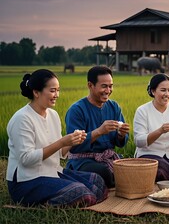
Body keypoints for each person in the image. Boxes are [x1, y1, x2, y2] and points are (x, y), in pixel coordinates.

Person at [6, 69, 107, 206]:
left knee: (97, 182)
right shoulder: (22, 119)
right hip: (26, 181)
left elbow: (61, 153)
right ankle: (42, 203)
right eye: (53, 90)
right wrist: (61, 142)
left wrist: (73, 140)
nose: (57, 95)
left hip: (52, 172)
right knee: (83, 193)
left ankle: (60, 194)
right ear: (36, 92)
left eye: (58, 90)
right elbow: (26, 159)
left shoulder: (53, 115)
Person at [65, 65, 130, 188]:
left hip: (107, 157)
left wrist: (121, 135)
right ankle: (116, 186)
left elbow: (120, 143)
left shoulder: (114, 107)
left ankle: (117, 184)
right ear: (90, 85)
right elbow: (74, 146)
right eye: (104, 86)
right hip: (83, 160)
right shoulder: (77, 110)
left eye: (110, 86)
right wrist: (99, 131)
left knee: (129, 167)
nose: (108, 90)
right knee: (103, 172)